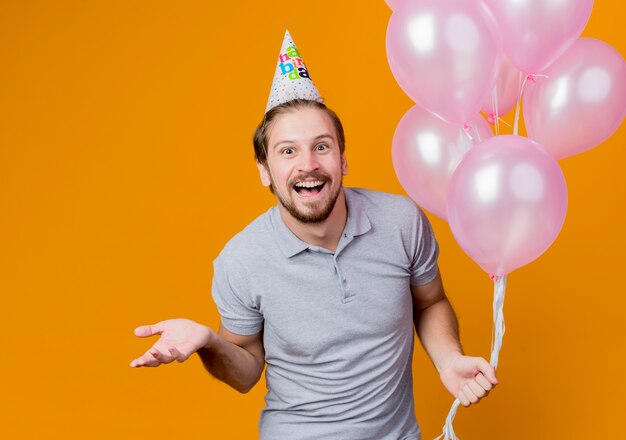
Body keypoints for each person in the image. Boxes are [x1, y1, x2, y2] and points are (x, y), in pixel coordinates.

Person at [130, 31, 497, 440]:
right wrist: (210, 344)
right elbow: (246, 372)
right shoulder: (241, 260)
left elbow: (429, 303)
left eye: (321, 147)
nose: (308, 165)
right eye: (287, 151)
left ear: (343, 158)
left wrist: (449, 360)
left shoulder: (401, 221)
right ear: (264, 170)